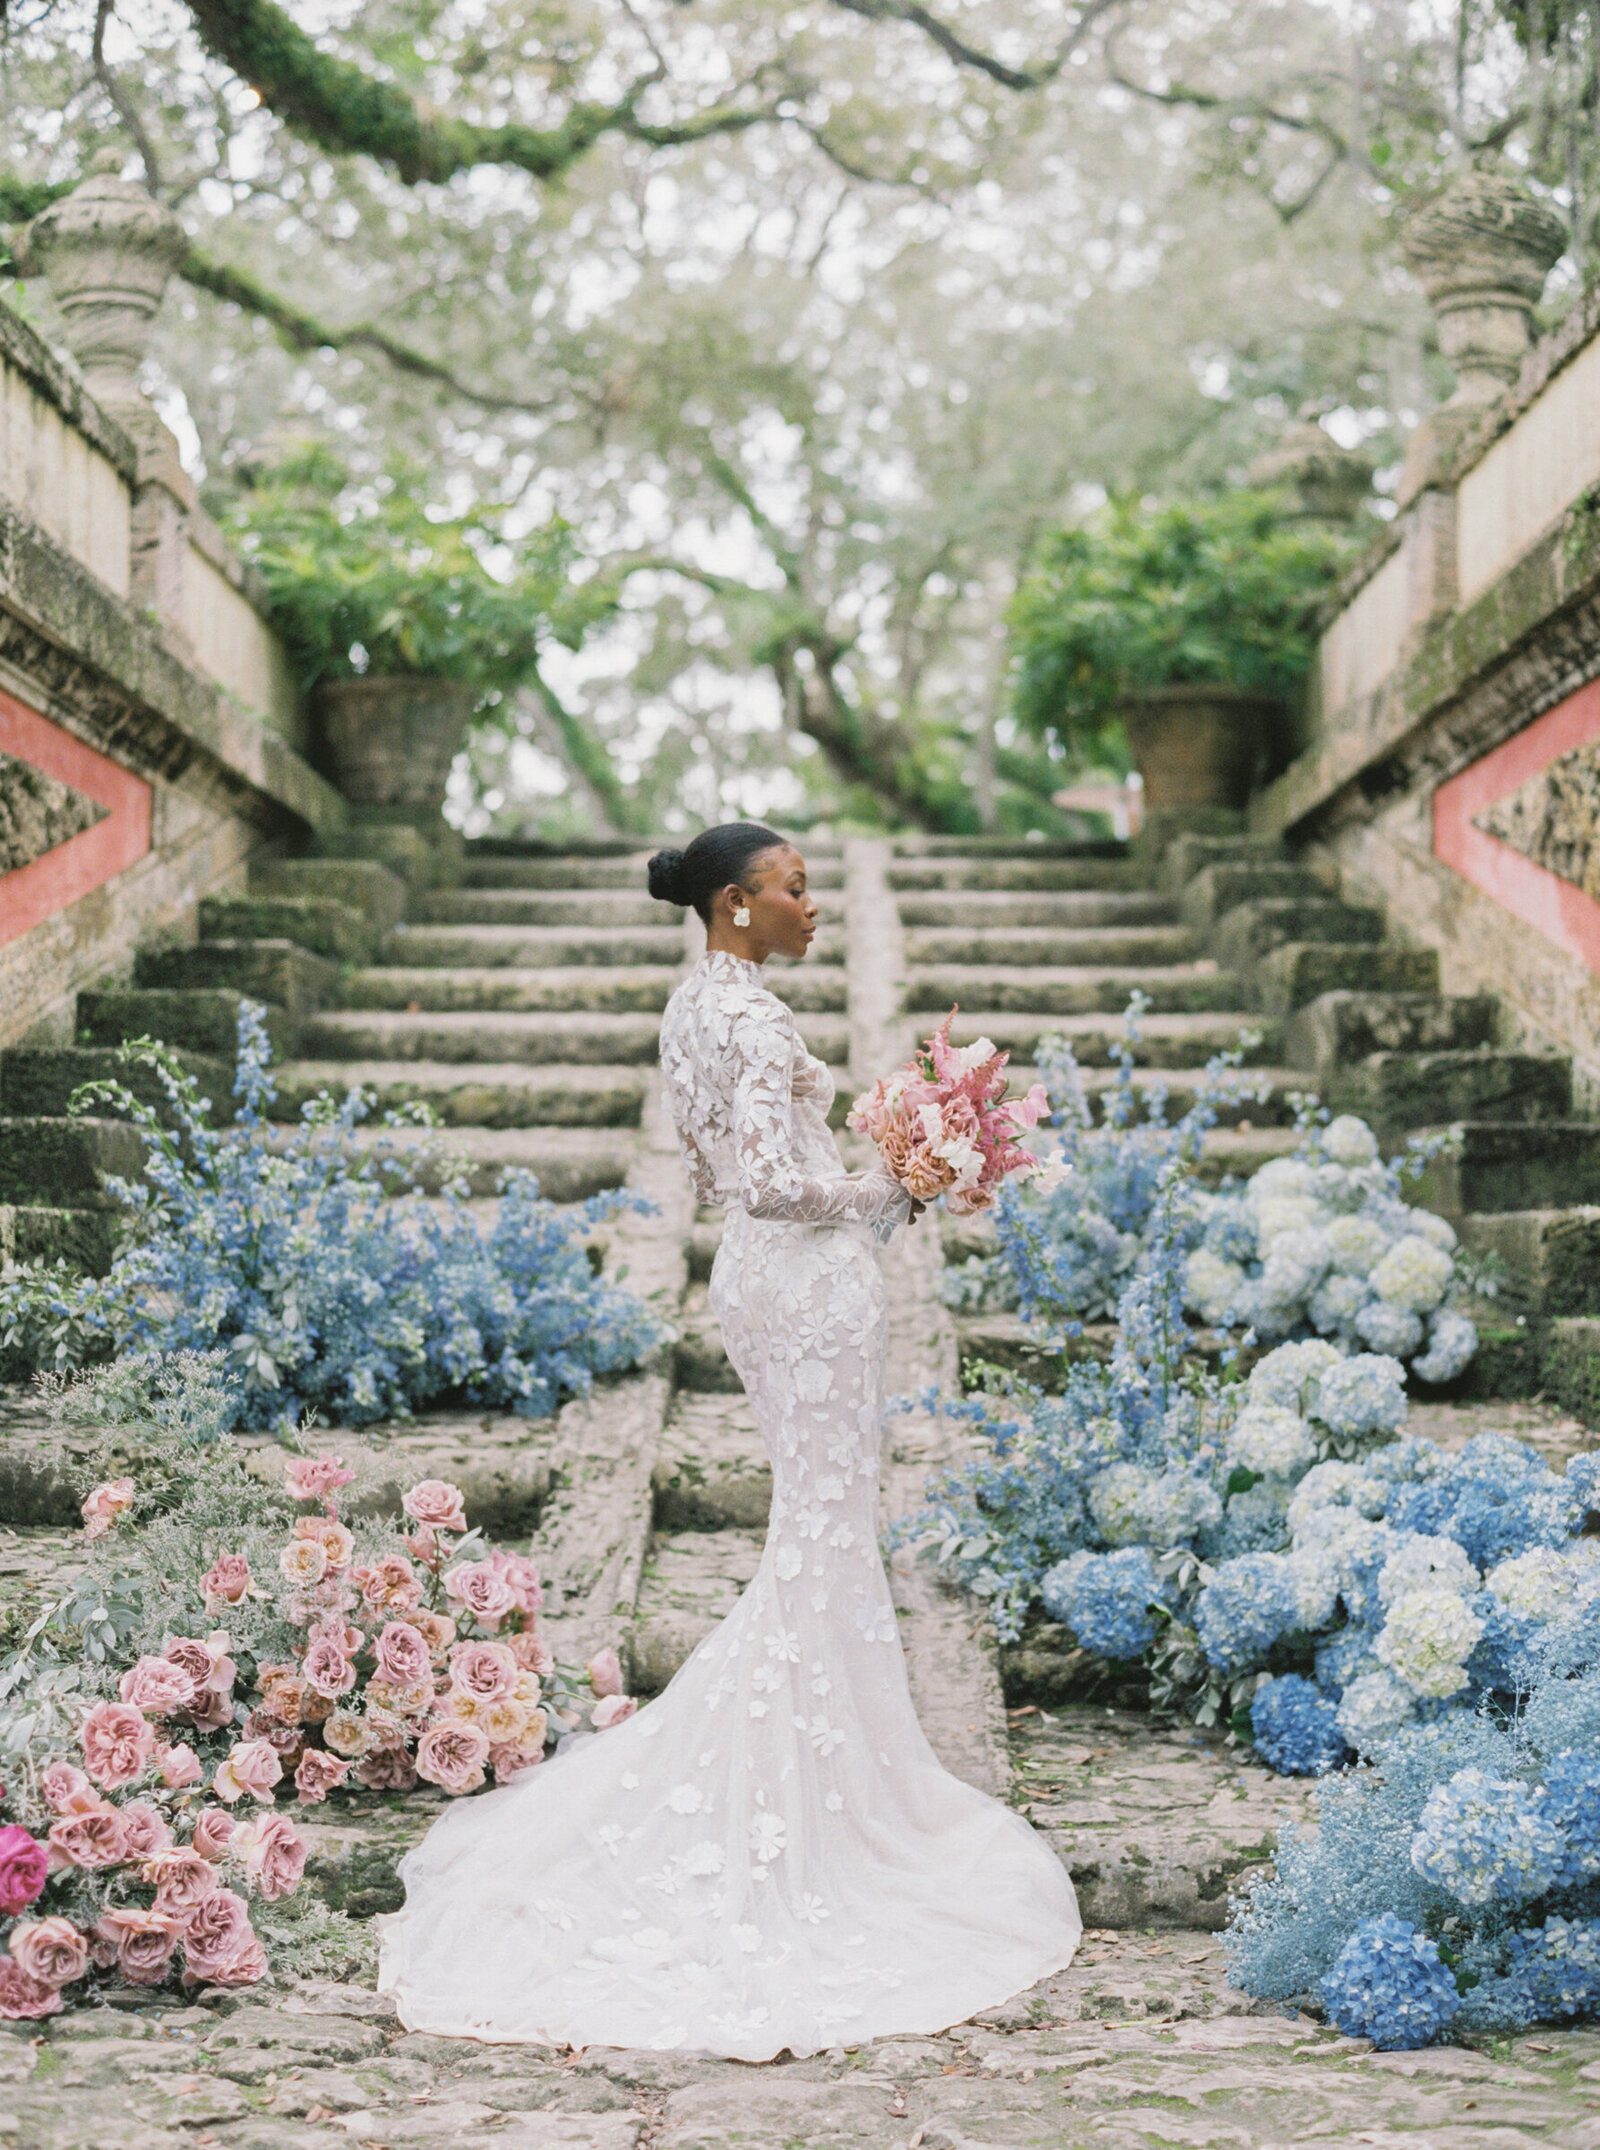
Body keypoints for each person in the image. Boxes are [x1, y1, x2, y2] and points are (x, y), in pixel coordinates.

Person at [376, 822, 1080, 2057]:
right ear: (734, 903)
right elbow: (762, 1174)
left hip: (766, 1282)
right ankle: (825, 1812)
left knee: (816, 1533)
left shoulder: (695, 1001)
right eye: (796, 890)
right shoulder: (749, 1019)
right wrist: (893, 1189)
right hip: (800, 1276)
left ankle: (829, 1780)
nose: (814, 908)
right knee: (820, 1533)